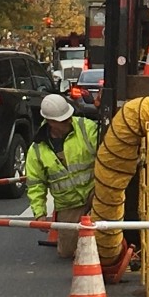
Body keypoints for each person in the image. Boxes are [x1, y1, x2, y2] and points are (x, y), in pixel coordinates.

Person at [26, 94, 100, 259]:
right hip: (69, 204)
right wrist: (40, 214)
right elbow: (35, 183)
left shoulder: (86, 129)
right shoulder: (37, 150)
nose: (68, 121)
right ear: (50, 122)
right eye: (63, 120)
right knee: (67, 252)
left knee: (104, 243)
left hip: (95, 194)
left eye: (68, 117)